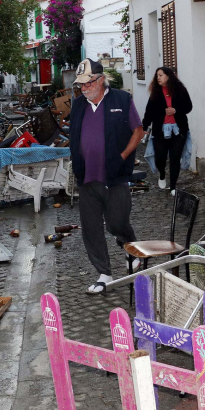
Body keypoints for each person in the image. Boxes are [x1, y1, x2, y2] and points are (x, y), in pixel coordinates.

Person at [68, 58, 144, 295]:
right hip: (86, 176)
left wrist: (122, 157)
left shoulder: (121, 100)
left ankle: (129, 248)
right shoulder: (78, 104)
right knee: (91, 228)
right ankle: (104, 273)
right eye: (81, 85)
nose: (84, 88)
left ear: (100, 80)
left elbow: (138, 131)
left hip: (114, 175)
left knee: (117, 222)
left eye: (88, 83)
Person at [142, 67, 193, 195]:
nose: (158, 78)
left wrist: (176, 110)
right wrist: (144, 127)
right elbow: (149, 111)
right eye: (157, 75)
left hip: (178, 130)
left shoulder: (180, 89)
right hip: (160, 130)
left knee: (175, 158)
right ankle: (162, 174)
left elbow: (188, 106)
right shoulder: (156, 92)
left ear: (168, 76)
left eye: (161, 75)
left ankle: (173, 187)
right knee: (160, 158)